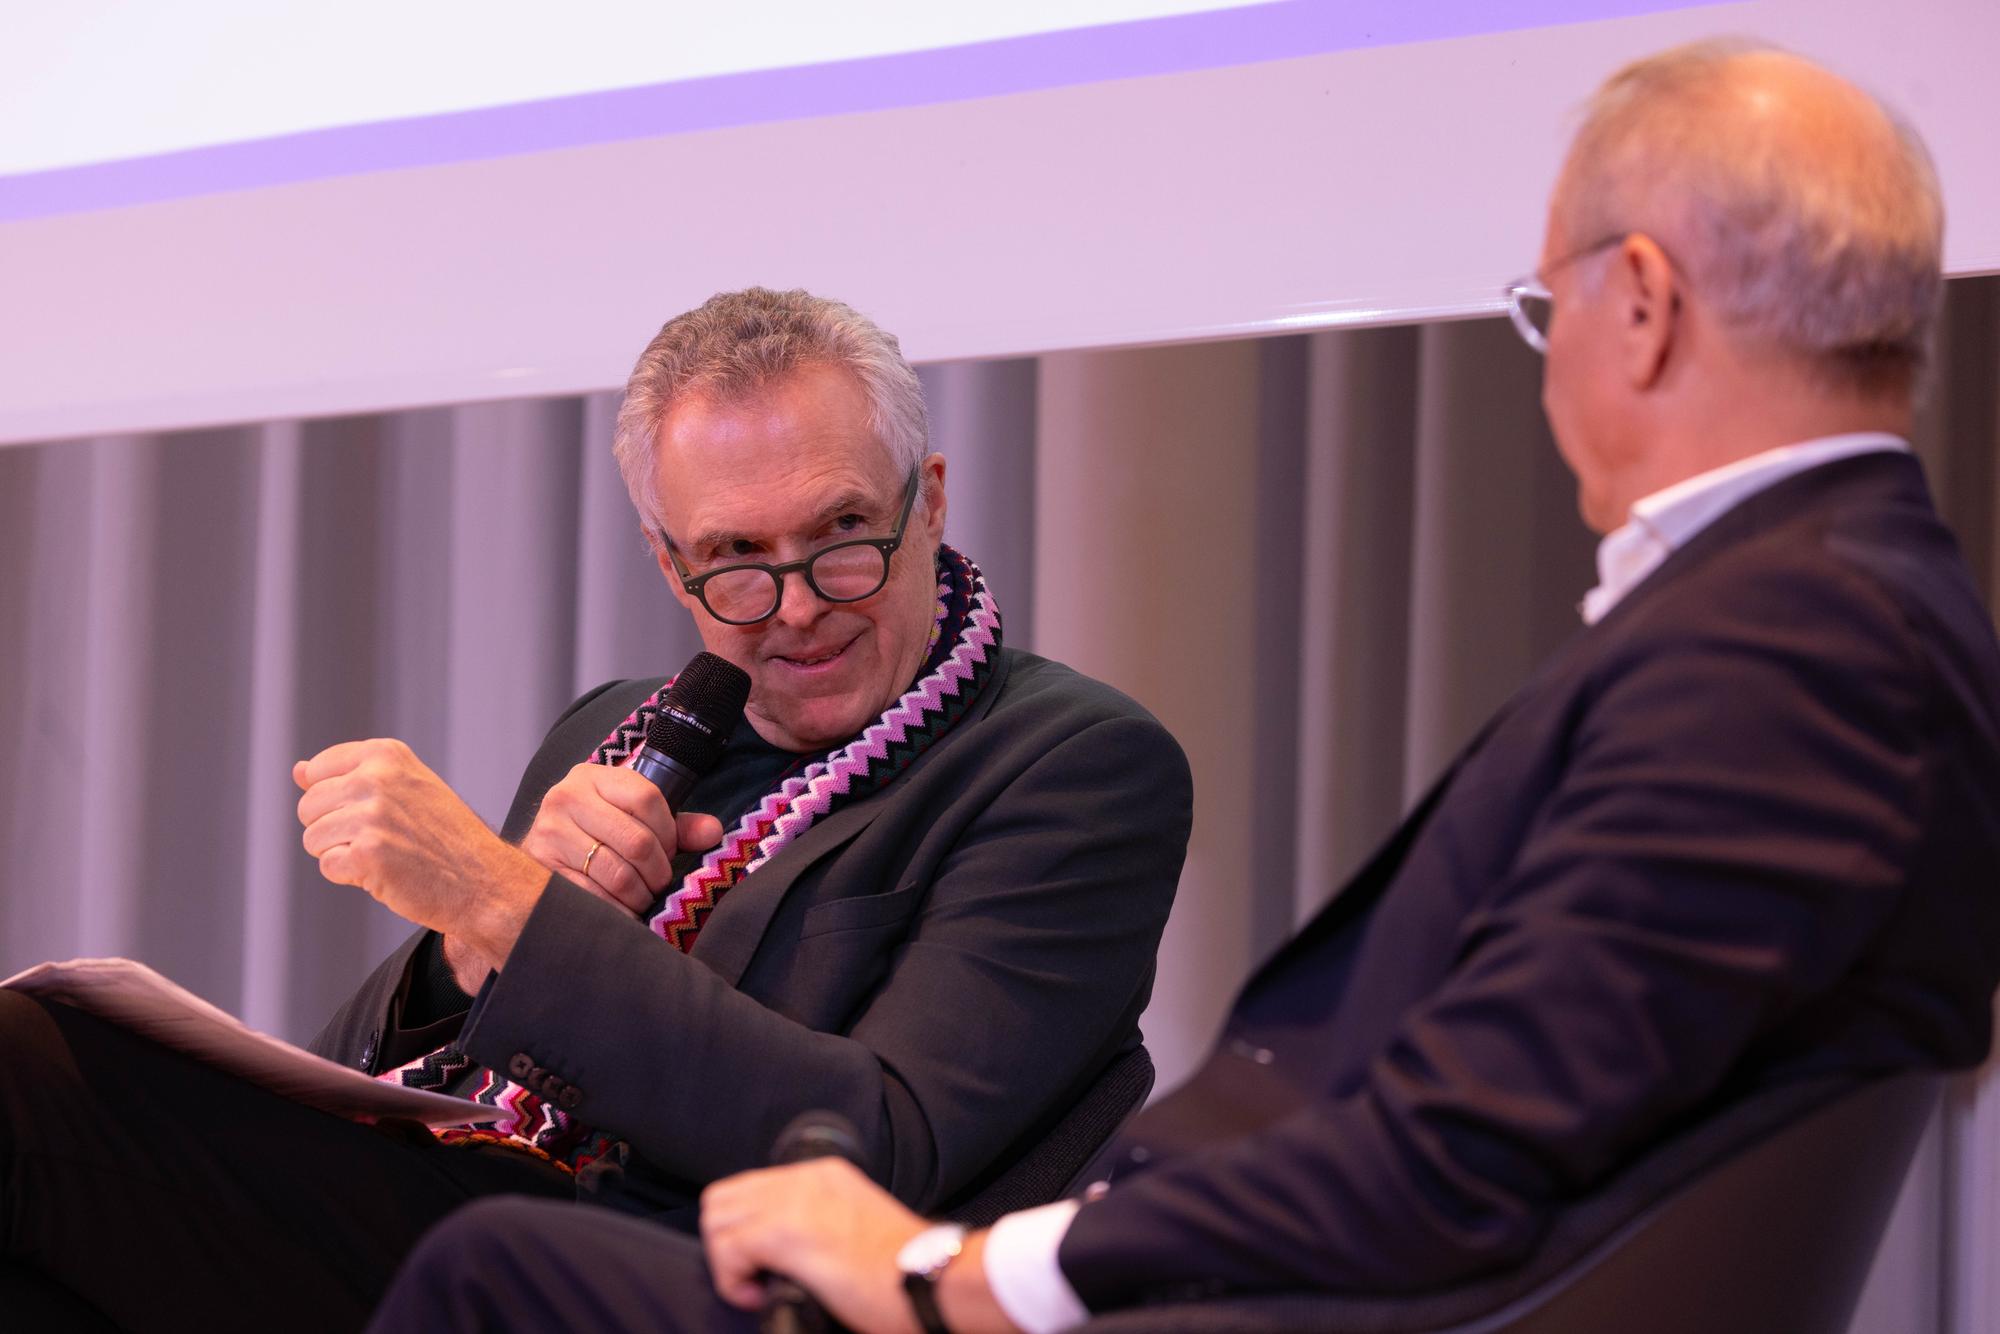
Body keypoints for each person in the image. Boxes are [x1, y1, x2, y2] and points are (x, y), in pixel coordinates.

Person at [364, 39, 2000, 1334]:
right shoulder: (1830, 612)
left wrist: (960, 1269)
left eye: (1543, 307)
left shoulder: (1787, 648)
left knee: (494, 1269)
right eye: (735, 559)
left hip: (1235, 1297)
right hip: (1235, 1270)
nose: (1551, 356)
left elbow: (1453, 1142)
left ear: (1638, 303)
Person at [0, 289, 1192, 1333]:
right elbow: (346, 1070)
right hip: (451, 1208)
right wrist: (468, 949)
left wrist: (507, 903)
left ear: (925, 503)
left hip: (677, 1281)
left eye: (840, 537)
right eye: (736, 556)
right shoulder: (621, 726)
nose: (794, 606)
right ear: (669, 564)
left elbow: (880, 1143)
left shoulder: (1072, 763)